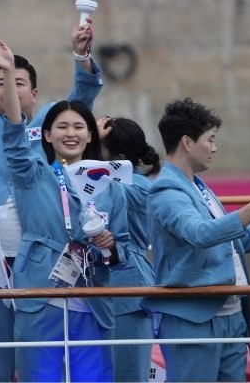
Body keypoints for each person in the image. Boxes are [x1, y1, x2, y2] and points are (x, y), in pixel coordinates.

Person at [0, 16, 102, 382]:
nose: (7, 88)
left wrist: (81, 54)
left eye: (16, 81)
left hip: (43, 260)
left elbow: (83, 100)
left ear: (35, 93)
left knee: (41, 360)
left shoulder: (49, 124)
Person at [0, 36, 118, 381]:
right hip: (41, 296)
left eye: (78, 127)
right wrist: (11, 74)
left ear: (91, 136)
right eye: (61, 127)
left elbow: (126, 246)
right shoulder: (33, 175)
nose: (70, 134)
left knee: (95, 378)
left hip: (92, 297)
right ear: (45, 136)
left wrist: (111, 247)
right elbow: (14, 137)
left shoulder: (108, 185)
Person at [144, 98, 250, 382]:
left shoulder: (198, 187)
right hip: (193, 318)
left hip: (230, 314)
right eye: (210, 140)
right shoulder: (165, 190)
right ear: (187, 142)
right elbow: (200, 234)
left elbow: (229, 243)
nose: (214, 147)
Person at [98, 115, 161, 381]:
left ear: (118, 158)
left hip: (125, 286)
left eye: (97, 148)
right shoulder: (136, 184)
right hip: (106, 285)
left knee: (127, 374)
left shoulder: (132, 188)